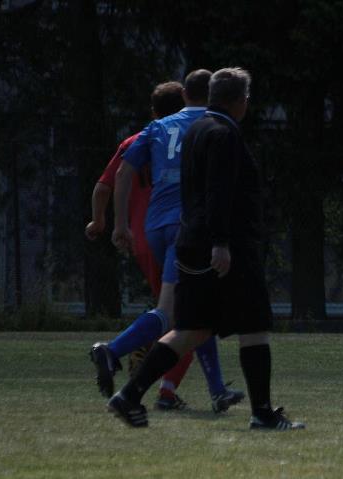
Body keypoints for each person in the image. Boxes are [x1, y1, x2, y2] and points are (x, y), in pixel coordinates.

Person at [106, 67, 304, 431]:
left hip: (189, 239)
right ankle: (261, 413)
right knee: (255, 325)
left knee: (191, 329)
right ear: (239, 100)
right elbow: (219, 191)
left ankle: (129, 395)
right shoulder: (224, 133)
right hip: (225, 245)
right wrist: (221, 243)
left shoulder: (195, 130)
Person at [90, 70, 244, 413]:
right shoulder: (209, 124)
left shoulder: (156, 128)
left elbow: (121, 173)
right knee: (172, 311)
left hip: (154, 227)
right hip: (187, 226)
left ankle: (215, 390)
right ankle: (113, 352)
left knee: (195, 310)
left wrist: (120, 225)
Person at [85, 81, 196, 410]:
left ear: (153, 110)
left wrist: (101, 222)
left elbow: (105, 185)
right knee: (185, 317)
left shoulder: (137, 139)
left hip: (145, 237)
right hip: (177, 230)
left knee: (175, 312)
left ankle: (148, 369)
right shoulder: (192, 136)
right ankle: (149, 376)